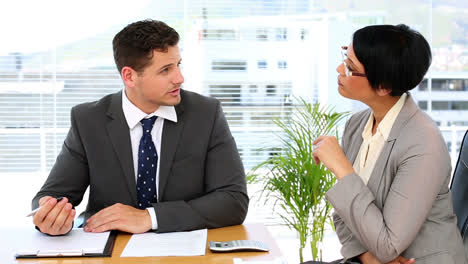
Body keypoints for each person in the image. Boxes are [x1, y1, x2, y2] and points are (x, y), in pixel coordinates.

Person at [31, 19, 249, 236]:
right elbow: (53, 195)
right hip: (109, 248)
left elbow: (233, 200)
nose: (180, 78)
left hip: (183, 246)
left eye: (178, 65)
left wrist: (149, 217)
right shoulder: (88, 120)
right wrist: (51, 218)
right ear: (130, 76)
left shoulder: (206, 114)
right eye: (165, 70)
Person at [312, 24, 467, 264]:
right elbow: (343, 217)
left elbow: (387, 245)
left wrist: (342, 169)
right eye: (345, 58)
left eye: (351, 68)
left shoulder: (423, 143)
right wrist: (368, 257)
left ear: (383, 86)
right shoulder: (356, 125)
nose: (340, 69)